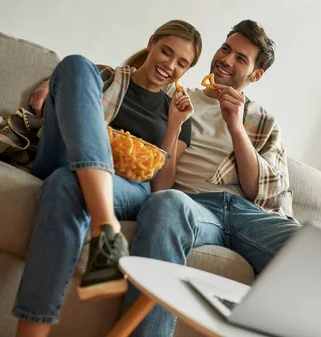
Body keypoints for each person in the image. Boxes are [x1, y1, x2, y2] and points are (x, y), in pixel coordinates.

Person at [12, 20, 202, 337]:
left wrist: (174, 126)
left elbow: (160, 188)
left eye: (182, 63)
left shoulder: (178, 112)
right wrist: (54, 82)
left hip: (125, 186)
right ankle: (106, 226)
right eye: (166, 52)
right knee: (75, 64)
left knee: (65, 185)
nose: (169, 65)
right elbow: (66, 97)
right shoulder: (105, 77)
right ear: (152, 43)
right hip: (67, 153)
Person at [123, 19, 301, 336]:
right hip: (193, 208)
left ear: (256, 75)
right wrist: (54, 83)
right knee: (166, 204)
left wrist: (235, 125)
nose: (226, 60)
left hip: (246, 213)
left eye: (240, 59)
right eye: (226, 49)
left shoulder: (263, 122)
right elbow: (122, 82)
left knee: (312, 247)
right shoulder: (175, 96)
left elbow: (266, 194)